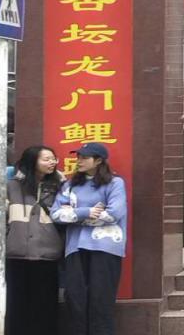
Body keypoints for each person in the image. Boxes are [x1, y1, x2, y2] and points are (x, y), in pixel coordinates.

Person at [52, 142, 128, 335]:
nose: (79, 161)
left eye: (84, 158)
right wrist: (86, 212)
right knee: (75, 299)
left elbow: (114, 214)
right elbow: (56, 214)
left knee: (101, 300)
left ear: (99, 160)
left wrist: (75, 216)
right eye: (78, 157)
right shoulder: (70, 185)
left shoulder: (115, 183)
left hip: (105, 247)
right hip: (74, 248)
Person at [6, 145, 65, 335]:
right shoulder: (12, 186)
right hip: (16, 254)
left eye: (53, 159)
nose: (52, 162)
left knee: (45, 306)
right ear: (32, 161)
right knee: (16, 304)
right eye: (46, 159)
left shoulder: (61, 186)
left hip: (47, 254)